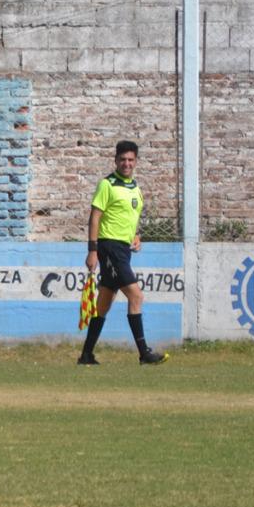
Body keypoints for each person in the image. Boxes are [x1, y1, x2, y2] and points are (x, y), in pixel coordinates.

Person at [78, 140, 168, 366]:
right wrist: (92, 250)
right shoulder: (107, 185)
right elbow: (95, 217)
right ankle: (144, 353)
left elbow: (131, 220)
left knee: (104, 303)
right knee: (136, 296)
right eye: (122, 160)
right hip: (109, 247)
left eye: (130, 160)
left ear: (135, 162)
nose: (126, 164)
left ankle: (86, 355)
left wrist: (136, 237)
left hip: (123, 250)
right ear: (115, 161)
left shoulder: (135, 188)